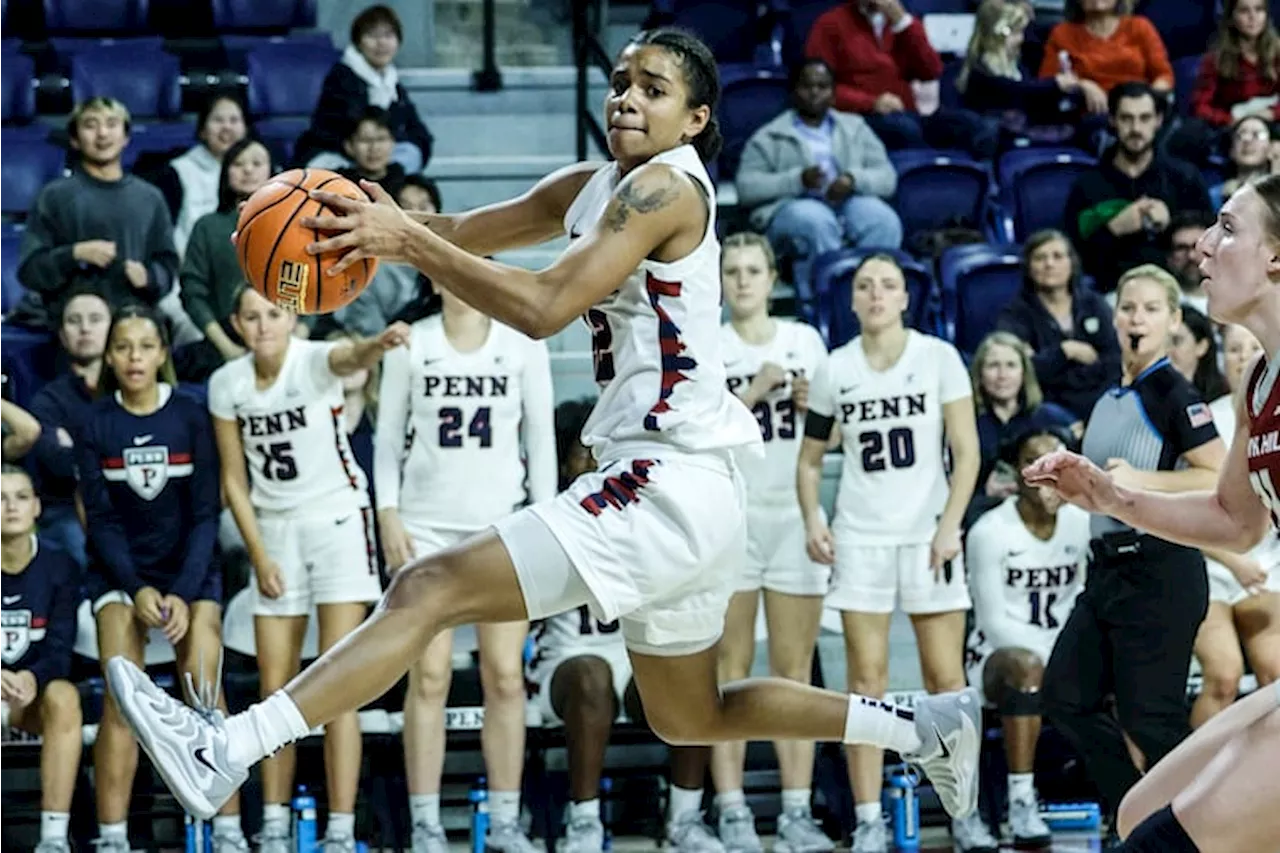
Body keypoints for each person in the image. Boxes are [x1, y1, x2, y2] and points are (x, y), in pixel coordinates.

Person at [100, 28, 982, 829]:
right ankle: (923, 723)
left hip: (663, 481)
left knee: (426, 588)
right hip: (697, 491)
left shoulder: (667, 189)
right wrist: (369, 232)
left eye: (653, 89)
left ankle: (227, 748)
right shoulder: (594, 184)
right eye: (621, 81)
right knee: (689, 713)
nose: (627, 98)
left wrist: (406, 244)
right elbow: (462, 232)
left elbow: (545, 305)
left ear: (696, 117)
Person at [999, 173, 1280, 851]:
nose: (1205, 246)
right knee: (1137, 808)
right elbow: (1235, 519)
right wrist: (1111, 497)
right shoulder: (1257, 379)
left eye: (1228, 228)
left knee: (1166, 839)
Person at [794, 253, 987, 853]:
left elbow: (968, 452)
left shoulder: (938, 358)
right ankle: (871, 818)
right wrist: (812, 517)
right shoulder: (834, 368)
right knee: (866, 682)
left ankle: (963, 811)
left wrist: (950, 524)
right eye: (864, 286)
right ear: (851, 301)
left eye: (888, 286)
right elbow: (807, 460)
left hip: (928, 533)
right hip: (862, 535)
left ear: (906, 297)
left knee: (946, 680)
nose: (876, 295)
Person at [1037, 264, 1231, 848]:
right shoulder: (1108, 397)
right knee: (1065, 695)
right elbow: (1105, 490)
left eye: (1150, 308)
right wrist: (1064, 481)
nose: (1136, 318)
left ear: (1174, 321)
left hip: (1159, 570)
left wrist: (1134, 481)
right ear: (1114, 318)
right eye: (1127, 307)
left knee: (1153, 719)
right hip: (1107, 570)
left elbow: (1217, 475)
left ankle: (1201, 833)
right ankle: (1142, 821)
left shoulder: (1175, 392)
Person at [208, 287, 402, 852]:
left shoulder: (314, 357)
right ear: (236, 323)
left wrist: (377, 345)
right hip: (274, 533)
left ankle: (341, 829)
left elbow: (350, 359)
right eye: (251, 316)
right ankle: (272, 823)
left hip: (337, 521)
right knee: (277, 690)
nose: (264, 325)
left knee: (340, 686)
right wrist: (260, 555)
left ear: (291, 318)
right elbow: (234, 481)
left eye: (273, 314)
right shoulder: (228, 384)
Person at [375, 278, 555, 853]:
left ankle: (505, 820)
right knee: (429, 677)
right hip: (426, 529)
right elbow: (385, 440)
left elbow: (543, 440)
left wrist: (544, 521)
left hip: (503, 528)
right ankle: (426, 823)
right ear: (435, 278)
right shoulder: (412, 343)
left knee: (505, 675)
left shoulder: (525, 344)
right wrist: (388, 512)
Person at [77, 303, 247, 852]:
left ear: (162, 354)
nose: (134, 358)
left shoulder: (192, 415)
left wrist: (180, 592)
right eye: (123, 347)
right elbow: (99, 520)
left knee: (205, 689)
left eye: (145, 347)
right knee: (123, 698)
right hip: (121, 575)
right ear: (109, 355)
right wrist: (139, 588)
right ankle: (112, 838)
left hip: (189, 573)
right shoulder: (96, 422)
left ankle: (227, 831)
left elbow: (205, 515)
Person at [527, 398, 725, 853]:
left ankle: (684, 819)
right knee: (592, 676)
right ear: (563, 460)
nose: (596, 463)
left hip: (636, 655)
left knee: (690, 680)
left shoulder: (647, 511)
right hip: (568, 661)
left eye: (603, 452)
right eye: (584, 453)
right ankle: (584, 821)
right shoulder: (549, 514)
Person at [713, 232, 832, 853]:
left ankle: (795, 810)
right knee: (728, 669)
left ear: (773, 276)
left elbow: (834, 439)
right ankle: (731, 809)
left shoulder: (805, 340)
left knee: (794, 670)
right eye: (731, 270)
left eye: (752, 270)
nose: (741, 281)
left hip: (792, 516)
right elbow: (701, 432)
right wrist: (754, 391)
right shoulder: (708, 342)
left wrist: (817, 411)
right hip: (731, 519)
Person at [964, 428, 1089, 850]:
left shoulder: (1081, 522)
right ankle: (1021, 801)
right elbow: (993, 622)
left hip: (1061, 651)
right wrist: (1061, 661)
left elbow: (1086, 604)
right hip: (995, 658)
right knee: (1026, 668)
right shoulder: (990, 530)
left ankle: (1131, 796)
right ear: (1020, 474)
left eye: (1059, 463)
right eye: (1039, 464)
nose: (1051, 475)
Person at [735, 57, 901, 298]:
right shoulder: (770, 136)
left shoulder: (856, 128)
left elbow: (887, 178)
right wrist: (797, 180)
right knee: (815, 220)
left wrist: (852, 180)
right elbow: (746, 187)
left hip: (848, 202)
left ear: (833, 94)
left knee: (882, 220)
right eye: (806, 86)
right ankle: (829, 299)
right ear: (793, 92)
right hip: (792, 207)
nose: (814, 93)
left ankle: (875, 295)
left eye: (822, 87)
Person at [11, 97, 179, 332]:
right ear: (75, 139)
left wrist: (149, 277)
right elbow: (31, 270)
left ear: (126, 137)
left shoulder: (150, 198)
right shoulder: (54, 196)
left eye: (112, 124)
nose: (102, 134)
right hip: (73, 326)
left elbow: (168, 265)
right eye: (90, 125)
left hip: (133, 324)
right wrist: (74, 254)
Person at [1189, 323, 1280, 727]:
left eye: (1251, 348)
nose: (1243, 357)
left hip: (1264, 564)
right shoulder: (1202, 419)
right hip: (1210, 564)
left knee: (1276, 672)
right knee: (1223, 677)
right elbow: (1187, 509)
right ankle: (1190, 787)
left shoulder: (1273, 412)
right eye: (1233, 349)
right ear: (1221, 358)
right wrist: (1234, 562)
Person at [0, 465, 83, 853]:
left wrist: (32, 678)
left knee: (65, 696)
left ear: (36, 506)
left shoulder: (60, 564)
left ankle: (53, 840)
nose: (10, 507)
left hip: (30, 700)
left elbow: (60, 648)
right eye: (0, 498)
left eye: (19, 497)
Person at [1063, 82, 1212, 294]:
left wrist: (1171, 225)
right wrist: (1113, 230)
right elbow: (1073, 259)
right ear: (1112, 120)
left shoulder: (1185, 178)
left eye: (1144, 118)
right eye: (1126, 118)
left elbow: (1210, 245)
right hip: (1113, 293)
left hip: (1181, 292)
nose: (1136, 129)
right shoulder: (1088, 186)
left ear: (1158, 120)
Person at [24, 288, 111, 566]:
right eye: (74, 321)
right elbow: (59, 464)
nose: (85, 328)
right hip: (64, 510)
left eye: (95, 319)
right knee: (76, 546)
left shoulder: (134, 387)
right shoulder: (48, 400)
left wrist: (78, 450)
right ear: (62, 335)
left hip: (131, 502)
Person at [995, 229, 1121, 421]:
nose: (1049, 264)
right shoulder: (1015, 315)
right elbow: (1025, 370)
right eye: (1040, 258)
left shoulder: (1094, 304)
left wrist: (1053, 364)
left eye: (1058, 256)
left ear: (1071, 263)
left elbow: (1115, 359)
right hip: (1048, 406)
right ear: (1028, 266)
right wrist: (1065, 351)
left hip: (1100, 399)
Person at [178, 138, 279, 376]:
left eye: (257, 163)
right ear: (225, 172)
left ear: (273, 171)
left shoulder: (293, 224)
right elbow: (193, 292)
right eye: (238, 164)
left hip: (287, 338)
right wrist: (226, 347)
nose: (248, 170)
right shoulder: (208, 227)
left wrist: (297, 338)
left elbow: (315, 284)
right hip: (224, 343)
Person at [294, 4, 433, 173]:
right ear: (358, 42)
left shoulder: (391, 82)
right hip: (339, 153)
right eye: (372, 35)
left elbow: (418, 131)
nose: (381, 43)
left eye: (388, 35)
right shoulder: (341, 77)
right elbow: (338, 132)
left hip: (380, 155)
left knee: (410, 154)